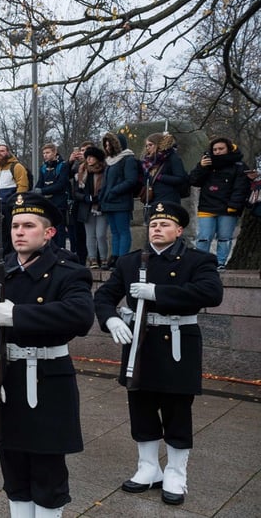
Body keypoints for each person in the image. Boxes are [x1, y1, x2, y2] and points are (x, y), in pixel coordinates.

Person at [0, 192, 95, 517]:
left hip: (49, 384)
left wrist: (18, 315)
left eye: (28, 225)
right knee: (14, 473)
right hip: (6, 382)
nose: (19, 231)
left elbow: (80, 316)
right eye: (15, 225)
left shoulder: (68, 272)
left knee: (48, 477)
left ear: (48, 232)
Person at [94, 202, 223, 505]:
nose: (157, 229)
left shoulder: (198, 260)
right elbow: (103, 296)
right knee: (141, 405)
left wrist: (156, 292)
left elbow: (211, 293)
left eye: (165, 225)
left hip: (178, 341)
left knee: (177, 409)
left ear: (179, 230)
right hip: (141, 341)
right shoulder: (129, 262)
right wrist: (110, 318)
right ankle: (148, 467)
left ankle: (177, 472)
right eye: (153, 224)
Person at [188, 136, 251, 270]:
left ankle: (221, 263)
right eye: (215, 149)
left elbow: (241, 188)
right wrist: (201, 167)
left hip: (228, 208)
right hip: (206, 206)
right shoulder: (207, 165)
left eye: (221, 148)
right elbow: (193, 181)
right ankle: (200, 263)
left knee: (224, 238)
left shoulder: (238, 166)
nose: (217, 151)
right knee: (204, 237)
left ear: (228, 149)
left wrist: (234, 206)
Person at [100, 131, 139, 267]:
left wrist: (114, 192)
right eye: (105, 145)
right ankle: (115, 257)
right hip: (109, 201)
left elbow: (131, 180)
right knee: (114, 232)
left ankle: (123, 259)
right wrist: (102, 196)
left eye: (109, 144)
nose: (107, 147)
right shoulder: (109, 162)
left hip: (121, 201)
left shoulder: (128, 159)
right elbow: (106, 182)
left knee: (123, 231)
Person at [0, 144, 30, 255]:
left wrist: (17, 202)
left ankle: (11, 257)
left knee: (10, 231)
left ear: (8, 152)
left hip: (10, 205)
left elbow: (22, 185)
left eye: (2, 151)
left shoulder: (16, 166)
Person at [72, 147, 109, 268]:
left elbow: (107, 187)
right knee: (90, 235)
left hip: (101, 206)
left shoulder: (104, 171)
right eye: (87, 157)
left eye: (91, 157)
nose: (88, 160)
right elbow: (76, 191)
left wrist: (100, 197)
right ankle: (92, 259)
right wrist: (85, 197)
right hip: (86, 207)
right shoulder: (82, 171)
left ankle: (103, 258)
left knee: (101, 234)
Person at [35, 143, 70, 248]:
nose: (45, 155)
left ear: (54, 152)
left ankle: (60, 251)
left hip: (59, 202)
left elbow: (60, 185)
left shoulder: (63, 165)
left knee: (59, 229)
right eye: (44, 153)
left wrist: (42, 191)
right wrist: (35, 191)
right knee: (48, 227)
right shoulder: (43, 167)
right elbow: (40, 182)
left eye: (48, 152)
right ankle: (50, 250)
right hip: (48, 203)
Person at [140, 133, 188, 206]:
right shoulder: (148, 162)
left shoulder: (172, 157)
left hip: (169, 198)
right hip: (152, 198)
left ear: (158, 144)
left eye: (150, 145)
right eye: (146, 145)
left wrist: (160, 177)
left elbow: (180, 178)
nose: (147, 148)